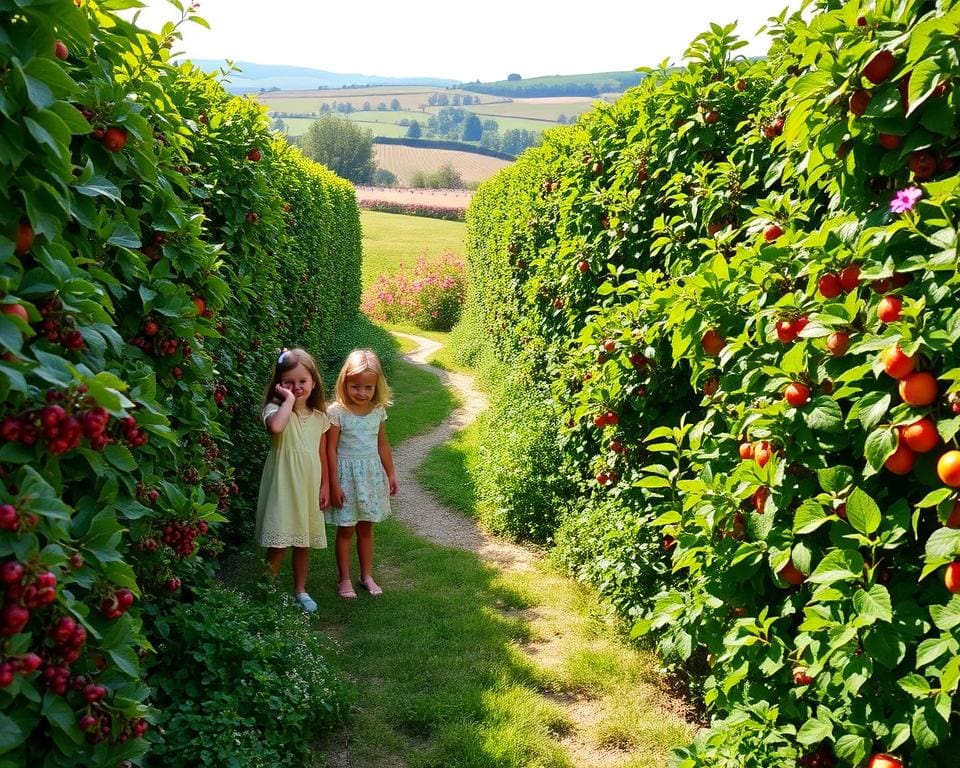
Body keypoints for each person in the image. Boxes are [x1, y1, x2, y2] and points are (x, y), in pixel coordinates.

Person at [255, 347, 330, 613]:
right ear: (278, 384)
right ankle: (265, 592)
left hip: (308, 486)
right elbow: (276, 428)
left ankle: (300, 589)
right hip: (284, 486)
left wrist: (325, 485)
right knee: (279, 542)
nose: (296, 387)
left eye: (302, 381)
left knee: (303, 540)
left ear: (313, 382)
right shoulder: (274, 410)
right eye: (289, 382)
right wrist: (286, 400)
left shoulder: (321, 417)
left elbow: (321, 454)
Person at [326, 349, 397, 598]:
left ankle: (366, 575)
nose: (362, 393)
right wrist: (333, 484)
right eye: (355, 386)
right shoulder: (336, 412)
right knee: (346, 529)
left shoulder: (378, 412)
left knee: (366, 528)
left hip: (370, 477)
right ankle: (343, 579)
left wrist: (390, 473)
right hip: (346, 477)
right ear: (344, 382)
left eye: (368, 388)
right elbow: (330, 450)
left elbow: (382, 444)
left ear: (376, 387)